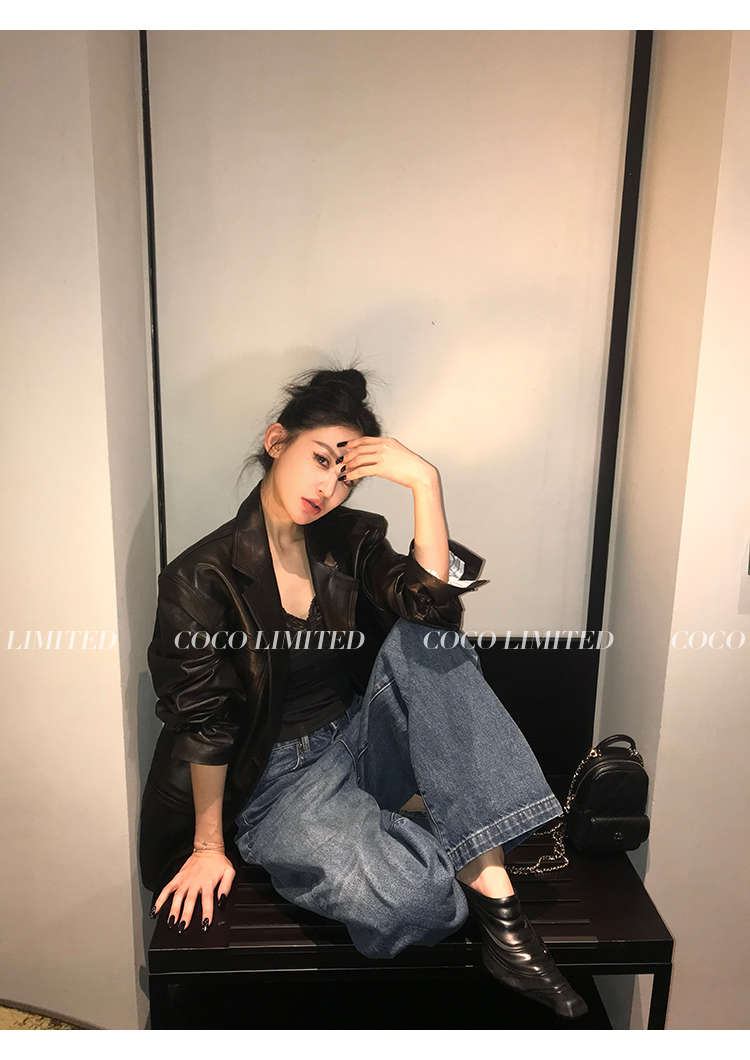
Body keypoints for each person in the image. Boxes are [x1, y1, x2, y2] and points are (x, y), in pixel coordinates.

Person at [139, 363, 588, 1021]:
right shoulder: (199, 577)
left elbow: (431, 609)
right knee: (420, 904)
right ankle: (457, 828)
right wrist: (209, 847)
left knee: (428, 638)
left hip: (360, 736)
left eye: (347, 476)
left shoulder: (351, 538)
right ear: (277, 441)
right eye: (320, 460)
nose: (329, 488)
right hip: (278, 787)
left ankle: (500, 906)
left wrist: (425, 483)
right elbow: (203, 723)